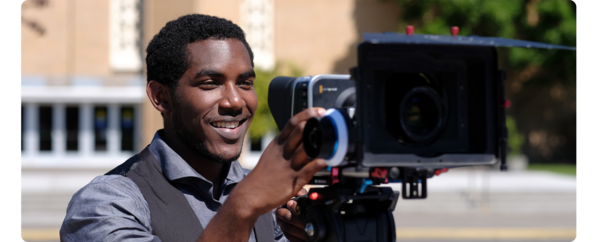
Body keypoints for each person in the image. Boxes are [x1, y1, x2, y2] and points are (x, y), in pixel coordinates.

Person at [59, 14, 328, 242]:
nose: (236, 101)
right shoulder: (105, 204)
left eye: (245, 83)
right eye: (211, 83)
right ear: (161, 97)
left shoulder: (272, 205)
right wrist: (246, 202)